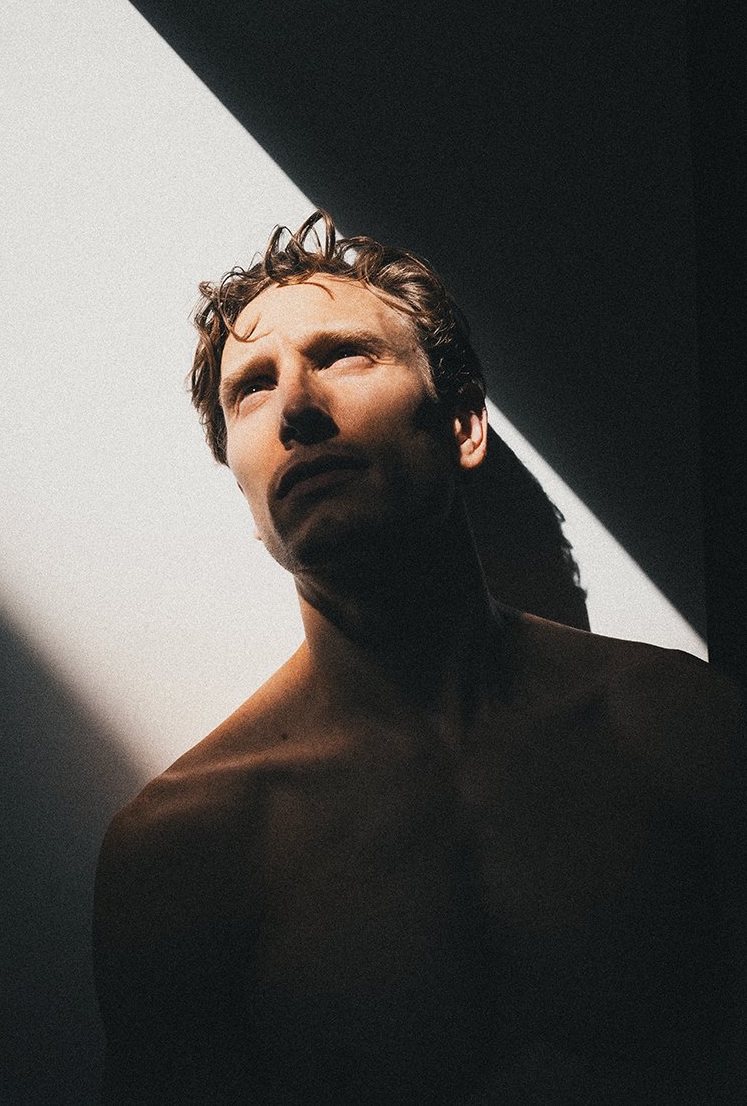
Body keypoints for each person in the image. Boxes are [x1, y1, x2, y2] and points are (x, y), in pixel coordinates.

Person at [93, 211, 745, 1104]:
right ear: (244, 489)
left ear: (464, 425)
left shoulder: (684, 724)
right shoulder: (182, 853)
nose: (297, 408)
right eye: (252, 387)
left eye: (343, 355)